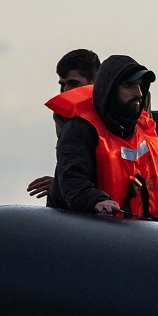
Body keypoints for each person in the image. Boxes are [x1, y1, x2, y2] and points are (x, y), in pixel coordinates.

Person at [46, 54, 158, 219]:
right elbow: (73, 177)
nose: (137, 93)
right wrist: (97, 200)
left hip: (136, 229)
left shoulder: (144, 128)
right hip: (85, 229)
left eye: (140, 86)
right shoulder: (80, 129)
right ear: (110, 89)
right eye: (129, 85)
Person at [29, 48, 102, 201]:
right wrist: (61, 183)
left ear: (95, 82)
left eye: (73, 83)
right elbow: (74, 164)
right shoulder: (63, 116)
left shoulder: (123, 115)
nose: (65, 91)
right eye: (62, 84)